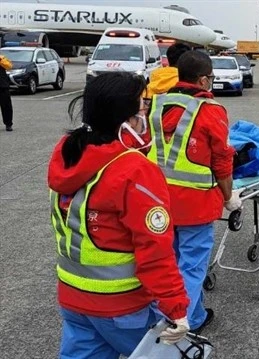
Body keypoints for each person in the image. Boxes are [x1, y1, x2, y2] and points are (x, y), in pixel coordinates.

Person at [47, 72, 191, 359]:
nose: (146, 116)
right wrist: (176, 309)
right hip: (121, 306)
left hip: (74, 298)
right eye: (142, 108)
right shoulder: (134, 170)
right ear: (126, 120)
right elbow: (155, 250)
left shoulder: (69, 153)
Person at [147, 50, 240, 333]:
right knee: (192, 266)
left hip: (157, 199)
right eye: (211, 78)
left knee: (169, 262)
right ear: (202, 80)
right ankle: (180, 321)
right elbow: (222, 161)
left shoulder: (157, 105)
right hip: (195, 203)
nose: (211, 83)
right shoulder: (209, 111)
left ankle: (194, 316)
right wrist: (229, 197)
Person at [0, 53, 13, 131]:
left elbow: (9, 67)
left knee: (6, 106)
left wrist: (1, 60)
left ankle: (8, 124)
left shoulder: (2, 58)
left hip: (3, 86)